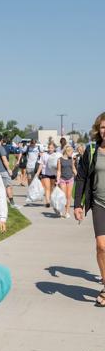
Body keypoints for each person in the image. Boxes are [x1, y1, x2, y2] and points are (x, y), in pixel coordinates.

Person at [73, 112, 105, 307]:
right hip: (99, 204)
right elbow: (82, 177)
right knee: (101, 246)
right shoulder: (92, 150)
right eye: (102, 127)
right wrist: (78, 204)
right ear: (98, 129)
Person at [0, 134, 15, 207]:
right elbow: (4, 160)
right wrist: (9, 169)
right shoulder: (1, 148)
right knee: (8, 186)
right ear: (1, 140)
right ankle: (12, 203)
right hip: (3, 171)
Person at [37, 141, 60, 208]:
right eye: (49, 147)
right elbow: (41, 164)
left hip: (53, 174)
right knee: (47, 188)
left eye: (52, 148)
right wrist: (38, 172)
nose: (50, 149)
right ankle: (47, 201)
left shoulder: (56, 155)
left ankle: (50, 199)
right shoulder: (44, 155)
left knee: (52, 188)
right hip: (45, 173)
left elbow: (59, 165)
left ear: (54, 148)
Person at [56, 144, 76, 219]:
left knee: (68, 196)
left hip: (70, 179)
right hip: (62, 179)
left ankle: (67, 212)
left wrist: (78, 175)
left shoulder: (72, 159)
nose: (72, 153)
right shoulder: (59, 159)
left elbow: (73, 169)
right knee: (63, 196)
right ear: (67, 152)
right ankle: (61, 209)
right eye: (71, 152)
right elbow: (58, 171)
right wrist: (57, 180)